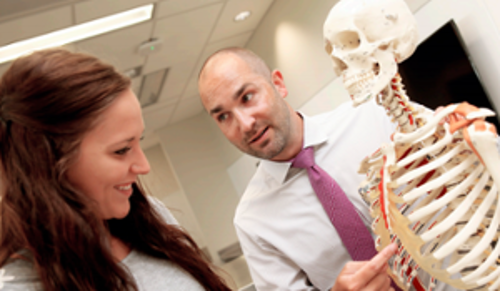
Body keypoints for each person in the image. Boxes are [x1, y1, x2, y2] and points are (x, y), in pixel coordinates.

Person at [0, 48, 231, 291]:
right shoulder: (22, 285)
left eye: (138, 142)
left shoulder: (152, 216)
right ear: (48, 163)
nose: (144, 166)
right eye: (121, 150)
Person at [197, 47, 400, 291]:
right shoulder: (252, 221)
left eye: (247, 98)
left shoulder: (372, 116)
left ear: (278, 84)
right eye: (223, 117)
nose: (245, 124)